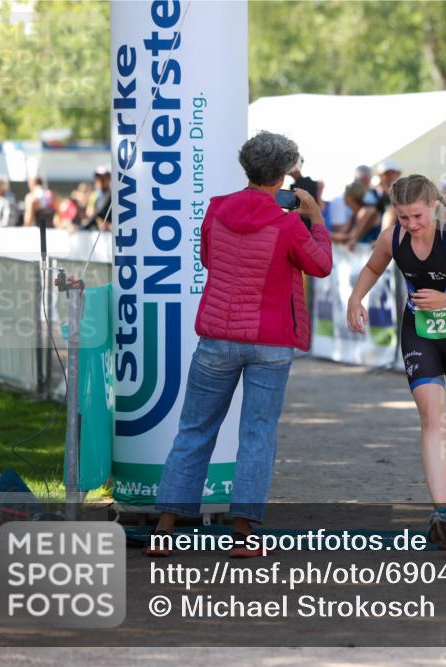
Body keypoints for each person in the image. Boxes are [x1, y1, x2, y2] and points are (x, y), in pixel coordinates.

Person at [146, 131, 332, 558]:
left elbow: (210, 260)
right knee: (257, 435)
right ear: (284, 175)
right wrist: (316, 219)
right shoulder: (288, 222)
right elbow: (320, 265)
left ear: (247, 167)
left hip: (216, 334)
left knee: (193, 430)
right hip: (270, 341)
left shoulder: (216, 209)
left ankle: (163, 530)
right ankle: (244, 535)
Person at [346, 175, 446, 548]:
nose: (411, 226)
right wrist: (356, 299)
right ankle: (441, 512)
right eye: (403, 218)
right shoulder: (393, 238)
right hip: (419, 334)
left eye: (417, 217)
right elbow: (373, 267)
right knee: (431, 418)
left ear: (433, 205)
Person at [84, 166, 112, 231]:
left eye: (103, 178)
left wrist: (109, 225)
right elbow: (90, 212)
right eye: (98, 179)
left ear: (109, 179)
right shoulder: (94, 195)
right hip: (96, 230)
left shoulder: (114, 196)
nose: (100, 181)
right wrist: (100, 222)